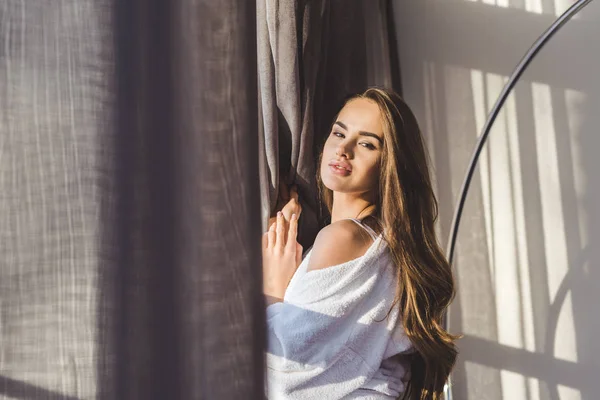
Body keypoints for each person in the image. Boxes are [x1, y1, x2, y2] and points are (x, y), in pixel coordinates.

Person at [262, 88, 458, 399]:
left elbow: (287, 375)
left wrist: (273, 290)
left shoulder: (344, 237)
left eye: (366, 144)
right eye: (339, 133)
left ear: (391, 166)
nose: (343, 149)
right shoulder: (388, 247)